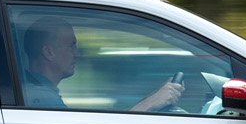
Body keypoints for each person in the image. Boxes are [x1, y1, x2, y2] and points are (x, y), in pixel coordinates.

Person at [20, 16, 183, 111]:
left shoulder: (34, 92)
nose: (78, 54)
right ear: (49, 52)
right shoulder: (41, 98)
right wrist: (151, 103)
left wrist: (154, 98)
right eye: (72, 46)